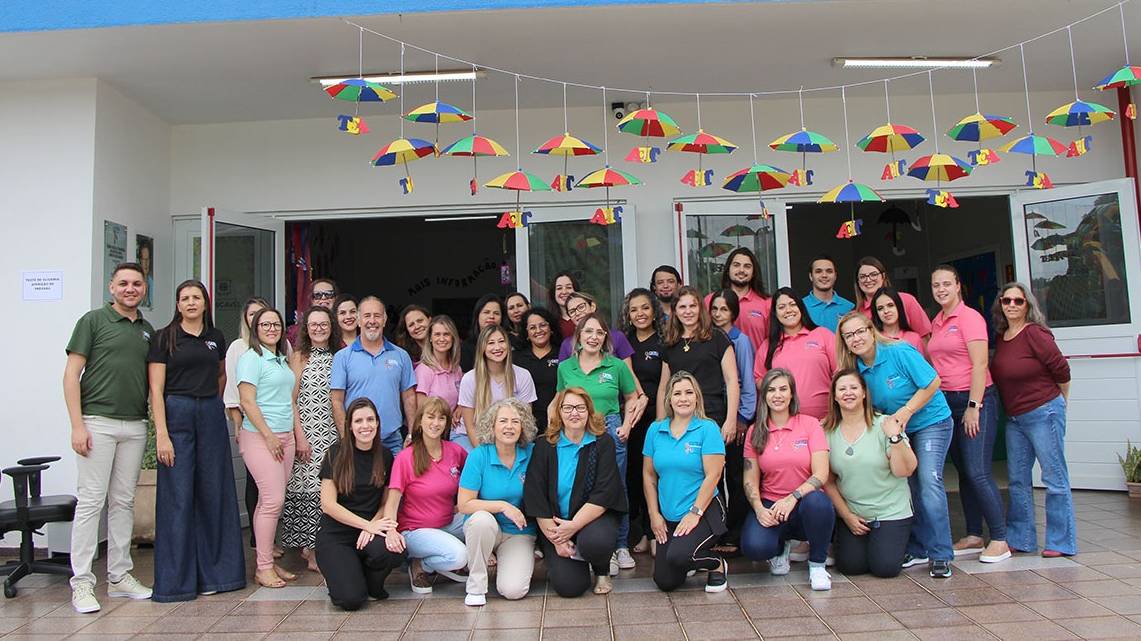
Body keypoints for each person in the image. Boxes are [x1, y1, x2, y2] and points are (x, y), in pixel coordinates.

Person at [64, 262, 156, 612]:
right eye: (123, 283)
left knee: (123, 502)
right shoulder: (93, 321)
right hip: (96, 422)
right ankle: (82, 583)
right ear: (111, 287)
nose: (130, 288)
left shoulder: (146, 329)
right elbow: (71, 375)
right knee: (91, 502)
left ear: (144, 288)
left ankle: (119, 576)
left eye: (136, 283)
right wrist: (77, 425)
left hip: (133, 425)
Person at [836, 311, 955, 578]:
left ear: (871, 330)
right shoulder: (857, 368)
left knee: (928, 481)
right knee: (907, 487)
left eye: (859, 332)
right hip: (896, 430)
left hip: (929, 422)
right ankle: (917, 547)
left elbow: (933, 381)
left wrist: (906, 412)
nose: (856, 339)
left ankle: (940, 554)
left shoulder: (898, 350)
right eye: (849, 336)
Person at [147, 280, 245, 602]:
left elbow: (220, 376)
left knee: (214, 493)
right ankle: (177, 583)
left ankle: (219, 574)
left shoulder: (215, 338)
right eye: (185, 298)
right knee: (178, 499)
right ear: (177, 305)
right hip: (176, 416)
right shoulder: (164, 338)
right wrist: (162, 434)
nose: (191, 303)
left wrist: (211, 404)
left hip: (209, 416)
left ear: (205, 303)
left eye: (196, 297)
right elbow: (156, 390)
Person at [928, 265, 1008, 563]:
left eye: (947, 283)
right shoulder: (937, 321)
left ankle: (1000, 538)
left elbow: (980, 364)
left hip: (974, 401)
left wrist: (974, 407)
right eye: (936, 285)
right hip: (946, 403)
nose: (941, 290)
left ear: (958, 285)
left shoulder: (970, 317)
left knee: (978, 471)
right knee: (963, 472)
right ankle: (974, 534)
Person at [990, 283, 1075, 557]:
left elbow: (1061, 369)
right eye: (1007, 301)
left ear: (1028, 305)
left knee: (1054, 478)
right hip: (1015, 418)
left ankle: (1060, 542)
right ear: (1000, 305)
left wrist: (1061, 402)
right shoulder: (1002, 336)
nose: (1012, 306)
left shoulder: (1036, 334)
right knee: (1017, 480)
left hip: (1043, 412)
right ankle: (1022, 538)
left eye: (1018, 301)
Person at [556, 313, 647, 572]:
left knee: (616, 487)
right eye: (588, 332)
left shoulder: (616, 366)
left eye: (599, 332)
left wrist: (627, 425)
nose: (594, 337)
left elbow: (632, 397)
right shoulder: (566, 368)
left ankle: (620, 546)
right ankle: (591, 543)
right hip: (576, 430)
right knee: (580, 485)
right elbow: (560, 400)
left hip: (609, 429)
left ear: (605, 337)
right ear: (579, 337)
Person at [524, 388, 627, 596]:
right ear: (559, 412)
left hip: (594, 519)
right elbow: (535, 494)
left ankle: (601, 569)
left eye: (580, 408)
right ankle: (565, 558)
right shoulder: (544, 445)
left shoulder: (602, 442)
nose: (574, 413)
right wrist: (558, 539)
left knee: (594, 543)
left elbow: (605, 492)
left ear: (589, 411)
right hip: (555, 524)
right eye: (568, 407)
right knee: (571, 587)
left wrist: (574, 526)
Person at [741, 369, 834, 591]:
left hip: (804, 503)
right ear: (764, 396)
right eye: (771, 390)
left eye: (783, 389)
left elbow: (821, 474)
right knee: (754, 547)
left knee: (819, 503)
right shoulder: (756, 431)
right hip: (771, 505)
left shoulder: (810, 424)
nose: (777, 395)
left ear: (792, 394)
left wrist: (793, 497)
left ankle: (817, 565)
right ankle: (780, 547)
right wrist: (758, 508)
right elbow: (749, 480)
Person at [821, 369, 917, 578]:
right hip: (854, 512)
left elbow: (905, 470)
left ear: (864, 393)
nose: (848, 393)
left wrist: (895, 438)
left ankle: (895, 546)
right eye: (842, 389)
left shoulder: (885, 424)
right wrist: (847, 516)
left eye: (854, 387)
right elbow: (827, 481)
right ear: (835, 396)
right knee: (850, 567)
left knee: (885, 568)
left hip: (890, 510)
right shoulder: (826, 430)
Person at [315, 398, 406, 610]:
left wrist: (374, 525)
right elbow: (328, 505)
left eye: (370, 420)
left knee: (395, 550)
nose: (365, 426)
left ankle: (372, 585)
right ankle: (342, 576)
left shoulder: (384, 456)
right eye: (358, 421)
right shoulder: (336, 454)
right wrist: (366, 525)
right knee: (351, 600)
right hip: (336, 534)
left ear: (377, 423)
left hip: (369, 530)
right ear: (349, 425)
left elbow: (385, 503)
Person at [643, 372, 728, 593]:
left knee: (681, 555)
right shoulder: (655, 430)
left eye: (689, 393)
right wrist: (654, 515)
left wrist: (695, 512)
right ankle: (686, 559)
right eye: (677, 393)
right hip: (670, 516)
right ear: (669, 399)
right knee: (665, 581)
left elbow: (714, 475)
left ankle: (717, 564)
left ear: (697, 397)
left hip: (704, 511)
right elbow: (649, 476)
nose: (683, 398)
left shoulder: (707, 428)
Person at [237, 307, 302, 588]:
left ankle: (268, 562)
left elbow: (289, 400)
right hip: (261, 438)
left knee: (272, 502)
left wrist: (296, 436)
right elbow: (247, 402)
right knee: (272, 500)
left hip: (285, 437)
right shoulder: (251, 358)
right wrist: (269, 436)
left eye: (276, 324)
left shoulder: (279, 360)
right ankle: (263, 568)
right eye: (265, 324)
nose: (271, 328)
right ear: (255, 329)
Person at [382, 397, 469, 594]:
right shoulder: (406, 458)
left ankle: (438, 560)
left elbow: (474, 480)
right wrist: (391, 531)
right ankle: (421, 564)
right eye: (430, 417)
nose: (435, 423)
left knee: (483, 520)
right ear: (420, 421)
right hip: (415, 530)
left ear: (447, 423)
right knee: (460, 556)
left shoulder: (455, 451)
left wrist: (463, 503)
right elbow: (392, 501)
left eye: (441, 418)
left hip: (447, 523)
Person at [458, 398, 539, 606]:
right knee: (481, 521)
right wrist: (504, 506)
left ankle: (502, 560)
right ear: (492, 425)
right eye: (503, 421)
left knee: (513, 590)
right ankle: (476, 586)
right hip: (487, 527)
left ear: (524, 426)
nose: (509, 427)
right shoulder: (479, 456)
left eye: (515, 421)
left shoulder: (533, 453)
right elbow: (464, 504)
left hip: (518, 532)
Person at [284, 306, 341, 572]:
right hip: (308, 433)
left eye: (324, 324)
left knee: (330, 490)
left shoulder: (340, 356)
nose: (319, 328)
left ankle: (324, 545)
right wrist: (300, 437)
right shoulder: (299, 358)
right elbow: (291, 401)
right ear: (306, 328)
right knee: (309, 490)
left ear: (331, 326)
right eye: (313, 324)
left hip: (332, 432)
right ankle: (311, 551)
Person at [330, 296, 417, 456]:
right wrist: (346, 437)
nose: (372, 320)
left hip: (392, 440)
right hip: (356, 439)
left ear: (384, 320)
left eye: (377, 316)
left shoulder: (401, 356)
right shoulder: (342, 357)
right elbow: (336, 401)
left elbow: (409, 397)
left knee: (394, 482)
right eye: (367, 315)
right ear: (358, 320)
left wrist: (412, 433)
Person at [708, 289, 758, 552]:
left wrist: (741, 418)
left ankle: (737, 532)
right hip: (714, 416)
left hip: (736, 419)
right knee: (713, 477)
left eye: (723, 309)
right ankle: (718, 529)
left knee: (736, 478)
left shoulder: (741, 341)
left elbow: (747, 384)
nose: (718, 314)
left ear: (734, 313)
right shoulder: (708, 339)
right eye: (714, 309)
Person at [223, 296, 274, 551]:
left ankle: (271, 538)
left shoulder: (280, 344)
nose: (258, 319)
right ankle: (258, 541)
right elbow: (233, 392)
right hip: (252, 425)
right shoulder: (238, 348)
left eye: (262, 314)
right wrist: (238, 424)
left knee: (275, 486)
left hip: (279, 424)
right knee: (257, 483)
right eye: (252, 314)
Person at [621, 288, 666, 554]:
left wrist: (660, 419)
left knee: (656, 473)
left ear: (654, 311)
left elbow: (665, 382)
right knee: (634, 477)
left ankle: (655, 531)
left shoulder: (663, 340)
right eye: (634, 309)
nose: (640, 314)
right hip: (631, 418)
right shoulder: (624, 343)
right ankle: (639, 533)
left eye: (645, 308)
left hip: (657, 417)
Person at [754, 288, 837, 420]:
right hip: (786, 423)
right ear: (775, 313)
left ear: (801, 308)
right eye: (781, 307)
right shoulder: (768, 346)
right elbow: (758, 378)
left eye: (793, 304)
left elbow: (841, 372)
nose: (788, 310)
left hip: (826, 421)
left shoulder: (823, 335)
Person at [457, 326, 538, 452]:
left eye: (501, 341)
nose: (497, 347)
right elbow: (470, 427)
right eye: (490, 343)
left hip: (510, 436)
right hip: (473, 437)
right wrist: (486, 457)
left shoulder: (523, 375)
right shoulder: (470, 379)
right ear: (482, 348)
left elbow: (525, 422)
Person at [705, 248, 770, 350]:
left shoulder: (766, 303)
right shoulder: (710, 301)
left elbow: (773, 342)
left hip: (755, 365)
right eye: (736, 265)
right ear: (728, 270)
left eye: (747, 266)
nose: (741, 270)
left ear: (753, 273)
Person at [853, 258, 931, 338]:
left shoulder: (906, 300)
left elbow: (924, 336)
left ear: (883, 276)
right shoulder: (857, 313)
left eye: (873, 274)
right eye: (862, 276)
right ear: (858, 281)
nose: (868, 280)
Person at [512, 307, 563, 431]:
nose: (538, 330)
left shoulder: (562, 354)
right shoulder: (516, 358)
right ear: (527, 333)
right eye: (532, 327)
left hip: (559, 419)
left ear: (551, 329)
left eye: (543, 325)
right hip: (524, 422)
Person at [557, 291, 635, 362]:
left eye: (581, 307)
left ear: (592, 306)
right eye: (572, 311)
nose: (577, 313)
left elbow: (629, 374)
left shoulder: (617, 337)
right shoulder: (567, 344)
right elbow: (562, 376)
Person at [414, 315, 464, 413]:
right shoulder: (423, 370)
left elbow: (461, 400)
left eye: (446, 334)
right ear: (430, 338)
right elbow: (422, 411)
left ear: (453, 338)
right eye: (437, 334)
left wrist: (458, 410)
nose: (442, 339)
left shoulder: (457, 369)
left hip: (452, 427)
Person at [802, 254, 854, 332]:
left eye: (829, 271)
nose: (824, 275)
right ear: (811, 276)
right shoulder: (800, 307)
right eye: (818, 271)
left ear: (835, 276)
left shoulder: (849, 307)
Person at [461, 294, 510, 371]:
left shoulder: (509, 344)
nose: (491, 316)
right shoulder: (465, 348)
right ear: (477, 316)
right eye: (486, 312)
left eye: (496, 313)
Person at [869, 287, 925, 354]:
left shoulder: (914, 338)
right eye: (880, 308)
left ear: (898, 307)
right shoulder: (873, 339)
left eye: (890, 305)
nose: (886, 311)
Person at [287, 278, 338, 347]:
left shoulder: (345, 325)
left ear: (336, 298)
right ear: (311, 300)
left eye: (328, 294)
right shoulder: (295, 332)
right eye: (317, 295)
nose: (323, 298)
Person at [549, 271, 581, 339]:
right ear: (553, 293)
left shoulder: (585, 317)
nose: (564, 292)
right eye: (559, 288)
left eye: (569, 287)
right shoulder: (549, 321)